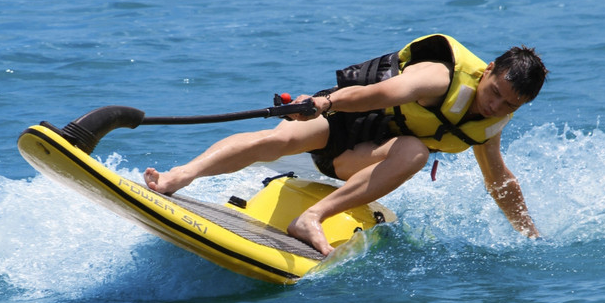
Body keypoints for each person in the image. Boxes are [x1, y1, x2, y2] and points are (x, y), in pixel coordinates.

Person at [144, 33, 548, 256]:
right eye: (494, 92)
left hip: (362, 158)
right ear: (489, 70)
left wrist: (529, 233)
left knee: (415, 152)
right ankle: (177, 177)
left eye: (509, 105)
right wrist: (325, 102)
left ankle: (311, 218)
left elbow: (498, 178)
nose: (494, 105)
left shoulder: (492, 121)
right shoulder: (438, 77)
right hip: (346, 116)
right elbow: (379, 94)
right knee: (280, 138)